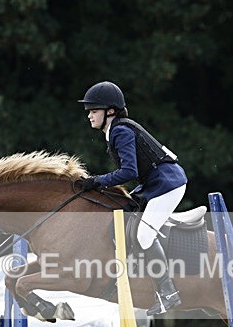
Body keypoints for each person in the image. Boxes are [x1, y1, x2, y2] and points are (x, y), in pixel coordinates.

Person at [78, 81, 187, 315]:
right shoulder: (115, 130)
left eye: (93, 110)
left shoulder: (120, 131)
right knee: (125, 211)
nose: (89, 115)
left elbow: (129, 172)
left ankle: (168, 292)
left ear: (110, 111)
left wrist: (97, 181)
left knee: (144, 234)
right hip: (156, 182)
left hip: (169, 184)